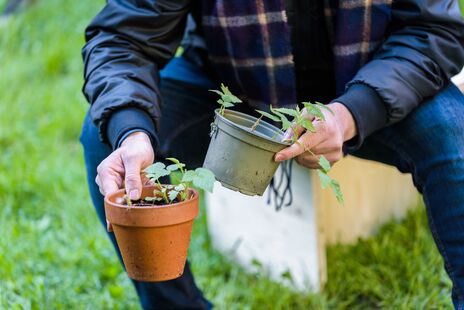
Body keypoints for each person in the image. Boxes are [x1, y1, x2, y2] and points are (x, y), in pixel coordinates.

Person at [80, 0, 464, 308]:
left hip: (371, 79)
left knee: (453, 133)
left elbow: (433, 30)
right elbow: (122, 38)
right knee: (111, 136)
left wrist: (351, 114)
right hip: (232, 80)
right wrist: (131, 131)